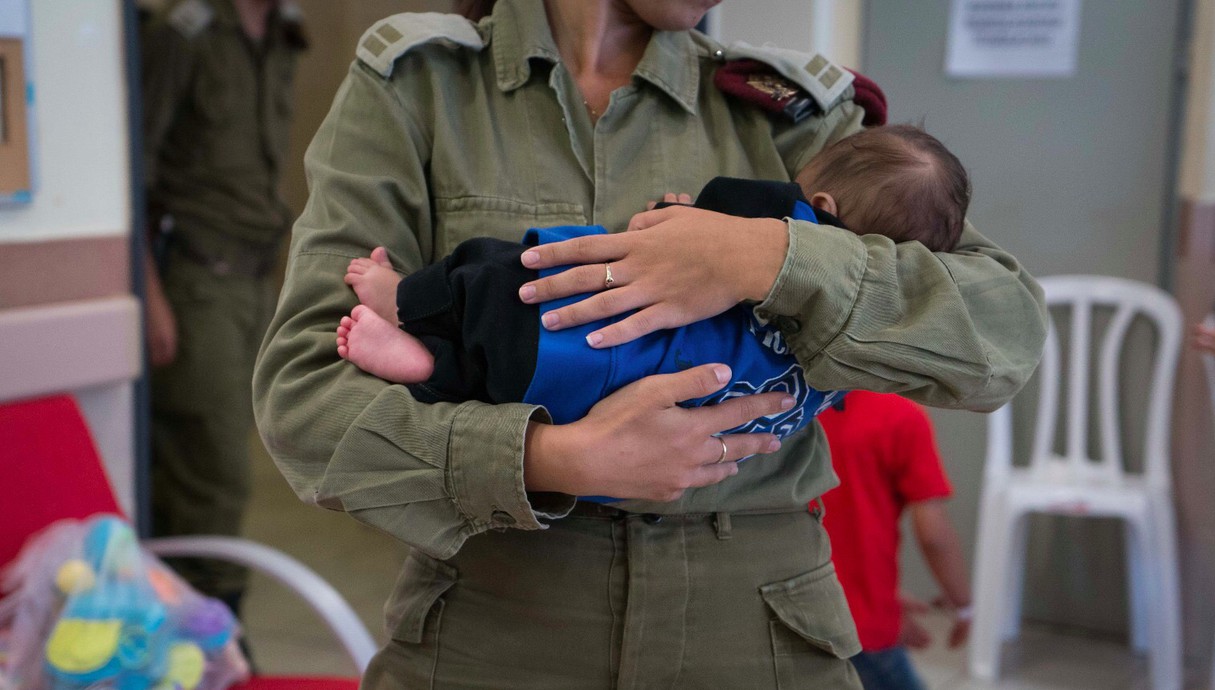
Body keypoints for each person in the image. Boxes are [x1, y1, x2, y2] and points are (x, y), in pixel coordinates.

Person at [252, 1, 1046, 686]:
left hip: (757, 626)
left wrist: (764, 255)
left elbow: (1001, 336)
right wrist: (549, 459)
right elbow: (305, 401)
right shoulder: (422, 86)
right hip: (492, 627)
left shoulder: (791, 114)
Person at [335, 125, 968, 457]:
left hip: (582, 334)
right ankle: (429, 366)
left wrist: (686, 217)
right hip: (632, 416)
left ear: (822, 204)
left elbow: (714, 213)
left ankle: (404, 301)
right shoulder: (849, 348)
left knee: (492, 270)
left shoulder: (795, 221)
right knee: (491, 374)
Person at [140, 0, 306, 615]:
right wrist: (150, 295)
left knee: (222, 458)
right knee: (210, 474)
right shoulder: (184, 35)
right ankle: (207, 639)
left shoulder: (282, 32)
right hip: (192, 280)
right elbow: (133, 172)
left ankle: (204, 634)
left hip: (254, 279)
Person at [817, 391, 972, 690]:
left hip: (796, 607)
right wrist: (964, 605)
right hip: (862, 626)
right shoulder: (900, 416)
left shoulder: (793, 408)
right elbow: (934, 536)